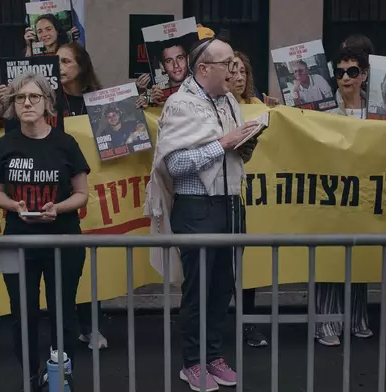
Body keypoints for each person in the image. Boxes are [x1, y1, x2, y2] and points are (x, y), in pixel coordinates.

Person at [144, 37, 260, 391]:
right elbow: (176, 164)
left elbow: (236, 157)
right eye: (227, 63)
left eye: (235, 63)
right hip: (197, 206)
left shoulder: (228, 101)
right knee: (198, 290)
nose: (234, 70)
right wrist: (223, 144)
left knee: (223, 286)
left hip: (229, 203)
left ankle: (213, 356)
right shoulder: (181, 105)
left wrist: (246, 144)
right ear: (204, 68)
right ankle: (192, 363)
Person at [0, 72, 90, 391]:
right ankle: (32, 376)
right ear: (12, 106)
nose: (27, 103)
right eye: (19, 98)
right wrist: (13, 206)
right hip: (18, 243)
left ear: (48, 103)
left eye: (34, 97)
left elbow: (82, 193)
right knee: (23, 316)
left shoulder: (66, 143)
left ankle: (59, 375)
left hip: (63, 240)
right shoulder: (5, 144)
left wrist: (58, 208)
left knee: (63, 313)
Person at [311, 48, 373, 347]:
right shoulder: (324, 111)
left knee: (361, 256)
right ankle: (325, 323)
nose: (344, 78)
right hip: (331, 195)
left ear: (364, 75)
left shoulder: (381, 112)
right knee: (329, 258)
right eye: (339, 73)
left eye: (351, 72)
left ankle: (358, 318)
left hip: (366, 196)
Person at [54, 42, 110, 350]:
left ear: (81, 65)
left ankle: (93, 327)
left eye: (66, 61)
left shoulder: (98, 101)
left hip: (98, 193)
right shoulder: (49, 102)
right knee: (66, 270)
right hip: (62, 194)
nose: (60, 67)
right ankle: (68, 328)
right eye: (56, 62)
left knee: (94, 265)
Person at [228, 51, 278, 348]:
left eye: (243, 72)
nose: (238, 77)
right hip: (229, 197)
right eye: (232, 71)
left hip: (258, 200)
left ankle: (248, 324)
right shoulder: (213, 108)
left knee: (251, 266)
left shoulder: (258, 107)